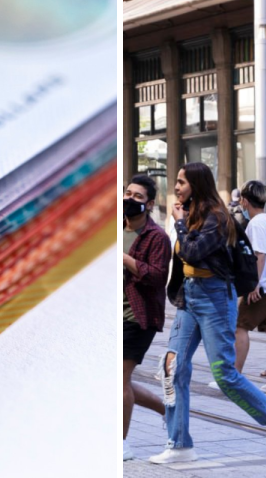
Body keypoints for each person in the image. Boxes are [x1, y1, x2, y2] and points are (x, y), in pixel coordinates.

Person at [151, 162, 266, 465]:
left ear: (197, 185)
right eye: (176, 182)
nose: (176, 187)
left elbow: (192, 251)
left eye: (181, 182)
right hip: (190, 295)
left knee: (224, 374)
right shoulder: (192, 215)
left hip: (215, 297)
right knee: (172, 367)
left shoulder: (217, 216)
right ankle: (179, 445)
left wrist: (178, 222)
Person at [212, 180, 266, 394]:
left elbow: (259, 256)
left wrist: (252, 286)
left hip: (263, 288)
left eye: (242, 201)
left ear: (245, 201)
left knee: (240, 327)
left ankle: (233, 377)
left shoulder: (256, 224)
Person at [122, 174, 171, 461]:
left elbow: (157, 276)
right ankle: (168, 410)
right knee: (118, 379)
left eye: (137, 196)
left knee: (119, 379)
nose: (129, 199)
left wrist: (126, 259)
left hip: (138, 317)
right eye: (128, 193)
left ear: (149, 204)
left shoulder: (157, 237)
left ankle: (122, 444)